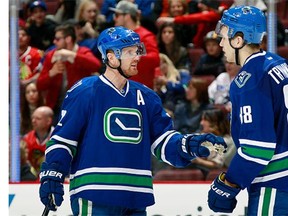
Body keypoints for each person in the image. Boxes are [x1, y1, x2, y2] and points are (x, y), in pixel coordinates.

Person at [38, 26, 227, 215]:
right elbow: (63, 140)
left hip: (136, 195)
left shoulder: (147, 96)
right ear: (111, 57)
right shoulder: (85, 91)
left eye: (137, 51)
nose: (137, 57)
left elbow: (163, 142)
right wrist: (53, 174)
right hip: (95, 192)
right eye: (129, 52)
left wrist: (190, 145)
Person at [207, 6, 288, 215]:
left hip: (275, 184)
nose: (221, 43)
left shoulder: (249, 80)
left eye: (224, 37)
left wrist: (229, 183)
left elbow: (258, 148)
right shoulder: (279, 64)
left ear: (238, 39)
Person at [36, 24, 102, 124]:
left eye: (58, 39)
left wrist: (72, 55)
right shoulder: (51, 55)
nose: (54, 42)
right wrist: (51, 73)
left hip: (79, 106)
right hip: (56, 107)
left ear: (68, 39)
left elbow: (96, 65)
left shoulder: (82, 52)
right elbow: (39, 85)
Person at [110, 0, 160, 89]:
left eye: (117, 15)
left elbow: (154, 59)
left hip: (139, 91)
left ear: (127, 16)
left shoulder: (144, 36)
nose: (114, 18)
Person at [21, 106, 54, 176]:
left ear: (48, 121)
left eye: (38, 118)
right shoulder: (27, 139)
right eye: (33, 118)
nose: (33, 121)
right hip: (31, 179)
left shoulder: (58, 138)